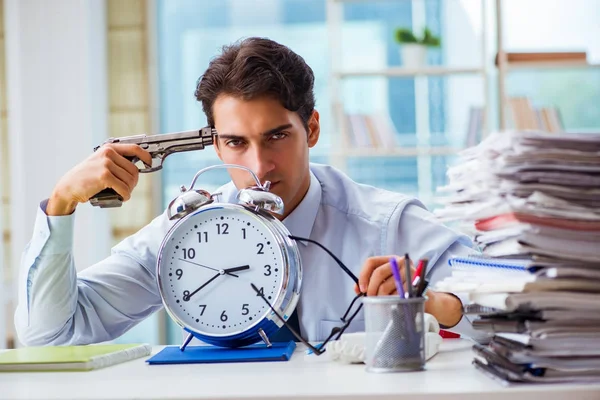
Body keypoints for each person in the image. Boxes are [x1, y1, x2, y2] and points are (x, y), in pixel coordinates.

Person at [14, 37, 483, 347]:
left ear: (312, 129)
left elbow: (515, 291)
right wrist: (61, 205)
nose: (259, 166)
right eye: (236, 142)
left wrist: (439, 303)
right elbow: (49, 337)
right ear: (216, 143)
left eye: (277, 136)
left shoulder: (385, 222)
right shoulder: (185, 237)